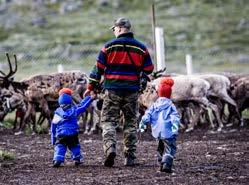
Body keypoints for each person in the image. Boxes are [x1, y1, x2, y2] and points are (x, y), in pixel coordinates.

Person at [84, 17, 154, 167]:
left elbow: (98, 69)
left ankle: (110, 149)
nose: (114, 31)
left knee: (108, 121)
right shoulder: (141, 48)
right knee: (130, 123)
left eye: (114, 29)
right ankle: (130, 157)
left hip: (112, 90)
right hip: (132, 91)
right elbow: (149, 68)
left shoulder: (108, 47)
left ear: (121, 28)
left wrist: (90, 87)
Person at [139, 77, 180, 173]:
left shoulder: (154, 105)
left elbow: (146, 116)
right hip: (168, 131)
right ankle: (167, 164)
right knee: (170, 147)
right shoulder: (171, 105)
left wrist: (142, 125)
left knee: (160, 147)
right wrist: (175, 128)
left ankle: (161, 162)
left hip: (157, 131)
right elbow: (175, 117)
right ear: (169, 94)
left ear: (158, 93)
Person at [51, 88, 95, 167]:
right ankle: (77, 158)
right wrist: (90, 98)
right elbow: (83, 106)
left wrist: (53, 139)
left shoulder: (57, 113)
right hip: (72, 134)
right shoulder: (74, 110)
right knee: (74, 146)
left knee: (60, 146)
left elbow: (53, 128)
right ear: (70, 100)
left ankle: (58, 159)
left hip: (61, 134)